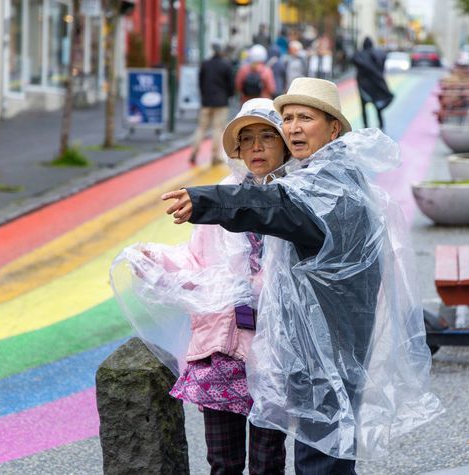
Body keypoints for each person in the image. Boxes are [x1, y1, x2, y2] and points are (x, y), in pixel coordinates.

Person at [162, 78, 442, 473]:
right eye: (288, 117)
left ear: (333, 128)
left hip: (328, 349)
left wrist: (206, 200)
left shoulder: (329, 185)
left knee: (320, 461)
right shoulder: (321, 175)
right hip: (318, 346)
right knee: (322, 451)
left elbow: (276, 207)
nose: (293, 127)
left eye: (305, 118)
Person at [111, 98, 292, 474]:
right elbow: (197, 262)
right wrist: (155, 260)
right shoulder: (219, 199)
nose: (256, 147)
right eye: (247, 139)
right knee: (223, 461)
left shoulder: (296, 199)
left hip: (274, 351)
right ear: (238, 150)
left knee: (267, 460)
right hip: (220, 349)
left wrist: (252, 287)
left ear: (284, 144)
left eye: (267, 137)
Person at [189, 43, 234, 165]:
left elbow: (200, 82)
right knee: (217, 129)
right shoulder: (226, 65)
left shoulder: (205, 64)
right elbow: (231, 85)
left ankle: (194, 152)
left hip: (206, 101)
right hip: (221, 101)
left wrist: (204, 95)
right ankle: (215, 156)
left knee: (201, 128)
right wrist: (228, 96)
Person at [352, 37, 393, 130]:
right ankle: (381, 125)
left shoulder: (361, 55)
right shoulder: (377, 54)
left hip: (363, 86)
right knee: (378, 107)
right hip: (374, 86)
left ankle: (366, 126)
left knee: (364, 107)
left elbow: (353, 59)